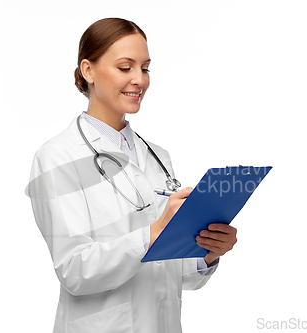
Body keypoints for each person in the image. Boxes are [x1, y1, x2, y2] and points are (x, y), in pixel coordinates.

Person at [27, 18, 237, 333]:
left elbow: (175, 275)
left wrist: (205, 252)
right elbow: (74, 270)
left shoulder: (158, 156)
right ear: (89, 71)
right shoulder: (58, 156)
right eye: (125, 68)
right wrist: (152, 233)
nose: (139, 79)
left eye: (145, 68)